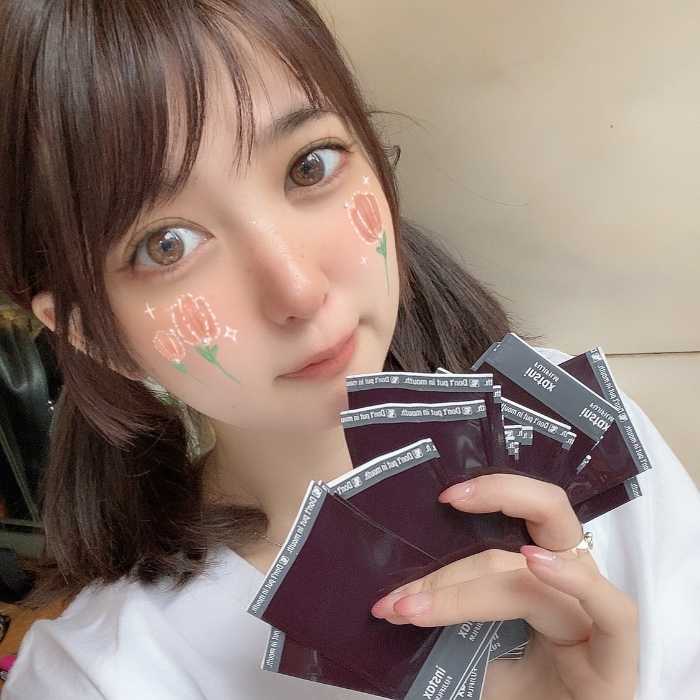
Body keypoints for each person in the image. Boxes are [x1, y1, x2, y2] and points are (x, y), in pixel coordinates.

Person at [0, 2, 698, 698]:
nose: (298, 290)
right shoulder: (95, 679)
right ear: (90, 333)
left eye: (309, 167)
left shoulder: (586, 431)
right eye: (166, 246)